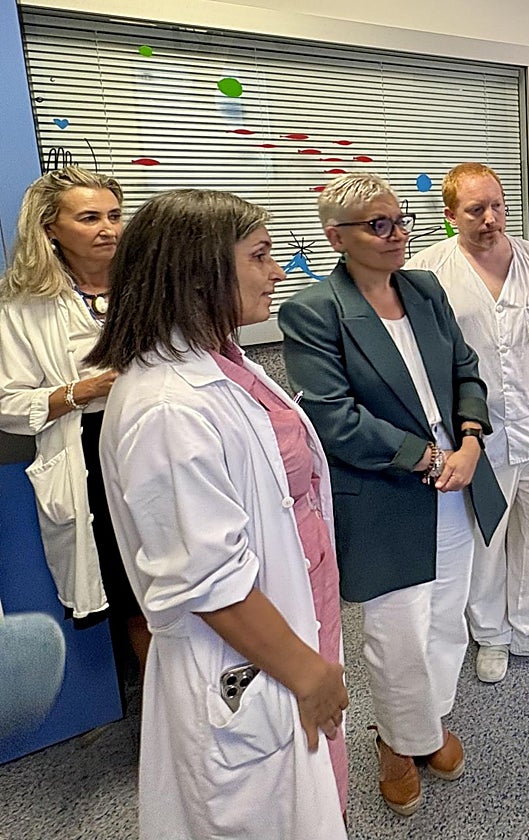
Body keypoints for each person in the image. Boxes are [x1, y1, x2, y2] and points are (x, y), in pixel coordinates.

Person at [86, 189, 348, 838]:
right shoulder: (168, 406)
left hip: (291, 623)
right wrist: (307, 672)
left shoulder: (224, 362)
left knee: (312, 801)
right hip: (244, 660)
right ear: (198, 271)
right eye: (260, 256)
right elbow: (208, 581)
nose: (278, 270)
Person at [279, 173, 506, 816]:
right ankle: (395, 742)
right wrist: (428, 458)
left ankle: (426, 724)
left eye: (401, 220)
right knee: (396, 626)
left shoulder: (424, 288)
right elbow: (333, 415)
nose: (398, 235)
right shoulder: (314, 309)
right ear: (337, 237)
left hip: (457, 472)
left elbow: (466, 368)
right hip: (386, 484)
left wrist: (468, 441)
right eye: (379, 225)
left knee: (445, 612)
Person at [406, 163, 529, 684]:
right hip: (474, 436)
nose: (490, 219)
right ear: (450, 215)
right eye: (475, 210)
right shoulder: (428, 273)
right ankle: (491, 635)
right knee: (486, 540)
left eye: (497, 206)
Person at [0, 167, 150, 685]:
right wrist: (86, 390)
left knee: (188, 577)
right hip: (90, 455)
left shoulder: (148, 284)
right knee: (135, 596)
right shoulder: (23, 307)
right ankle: (170, 731)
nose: (109, 228)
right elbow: (8, 403)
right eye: (89, 218)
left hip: (159, 439)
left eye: (114, 215)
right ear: (50, 230)